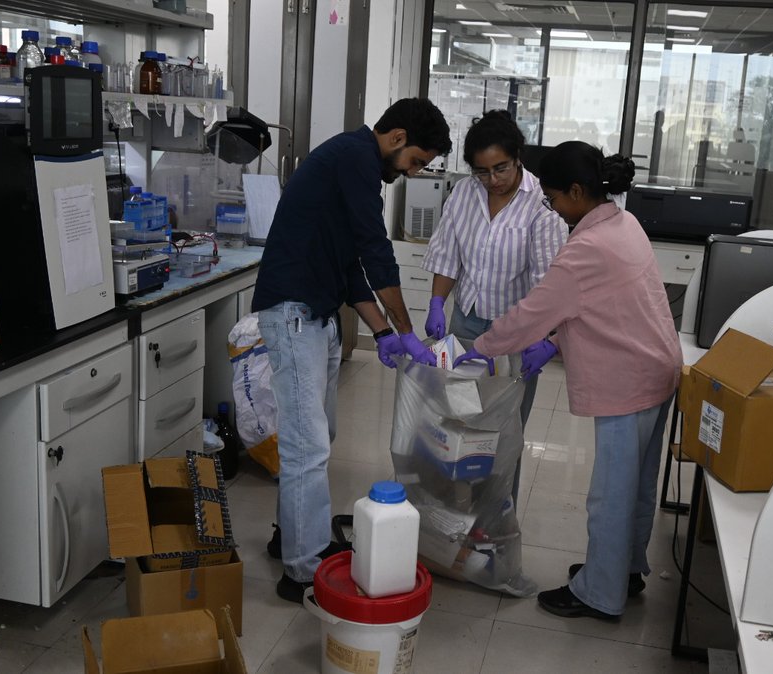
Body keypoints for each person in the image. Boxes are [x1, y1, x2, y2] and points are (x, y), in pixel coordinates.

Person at [453, 141, 681, 621]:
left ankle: (599, 593)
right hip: (658, 368)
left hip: (627, 382)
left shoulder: (587, 247)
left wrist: (477, 349)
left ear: (577, 192)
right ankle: (625, 568)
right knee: (639, 484)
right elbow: (600, 301)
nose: (552, 208)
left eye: (553, 198)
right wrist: (554, 337)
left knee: (610, 495)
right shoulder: (624, 223)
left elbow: (532, 312)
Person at [251, 98, 452, 603]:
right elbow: (374, 250)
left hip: (316, 314)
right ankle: (300, 572)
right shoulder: (356, 159)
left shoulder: (353, 162)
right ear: (399, 137)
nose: (411, 173)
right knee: (307, 446)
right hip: (294, 313)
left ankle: (290, 535)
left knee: (319, 436)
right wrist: (406, 328)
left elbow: (349, 269)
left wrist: (383, 333)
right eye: (416, 163)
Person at [420, 109, 568, 502]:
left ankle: (495, 524)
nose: (492, 180)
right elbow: (448, 254)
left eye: (500, 168)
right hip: (465, 324)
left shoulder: (542, 205)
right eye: (482, 172)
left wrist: (546, 338)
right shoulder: (465, 194)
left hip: (516, 335)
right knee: (458, 422)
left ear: (518, 156)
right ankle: (454, 519)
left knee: (502, 433)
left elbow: (547, 284)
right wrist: (437, 302)